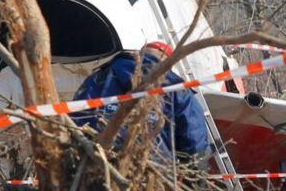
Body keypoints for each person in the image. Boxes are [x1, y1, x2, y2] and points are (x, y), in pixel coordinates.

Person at [72, 41, 208, 159]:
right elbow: (194, 139)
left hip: (92, 155)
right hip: (152, 169)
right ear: (168, 61)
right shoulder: (178, 88)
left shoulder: (103, 74)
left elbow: (78, 112)